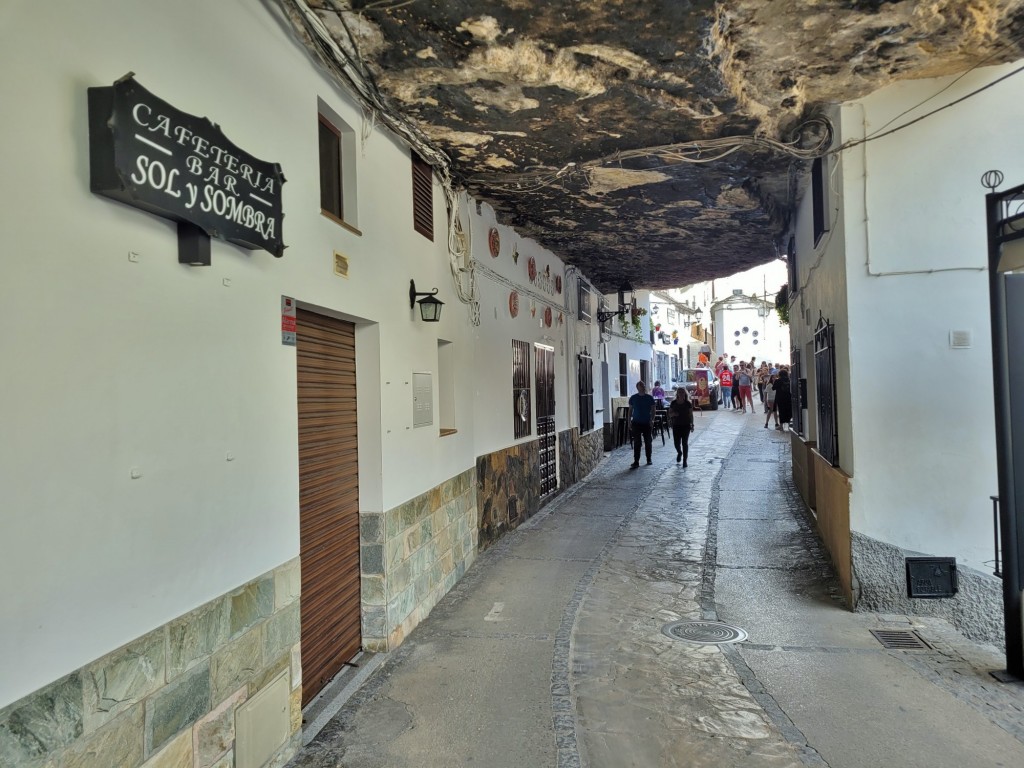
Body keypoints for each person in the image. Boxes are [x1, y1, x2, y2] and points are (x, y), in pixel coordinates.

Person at [628, 381, 656, 467]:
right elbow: (630, 410)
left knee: (648, 441)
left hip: (646, 422)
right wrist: (629, 421)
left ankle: (649, 459)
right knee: (637, 442)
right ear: (637, 387)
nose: (643, 387)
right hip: (636, 422)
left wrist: (652, 420)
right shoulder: (633, 398)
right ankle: (636, 461)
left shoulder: (649, 398)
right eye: (641, 385)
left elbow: (653, 410)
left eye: (643, 385)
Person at [668, 387, 694, 466]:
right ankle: (679, 452)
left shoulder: (688, 403)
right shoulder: (673, 403)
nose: (681, 394)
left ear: (685, 393)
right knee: (676, 443)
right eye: (679, 392)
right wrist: (674, 414)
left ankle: (685, 460)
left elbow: (691, 415)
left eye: (682, 392)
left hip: (686, 425)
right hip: (676, 425)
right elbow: (669, 414)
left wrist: (692, 424)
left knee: (684, 443)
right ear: (677, 394)